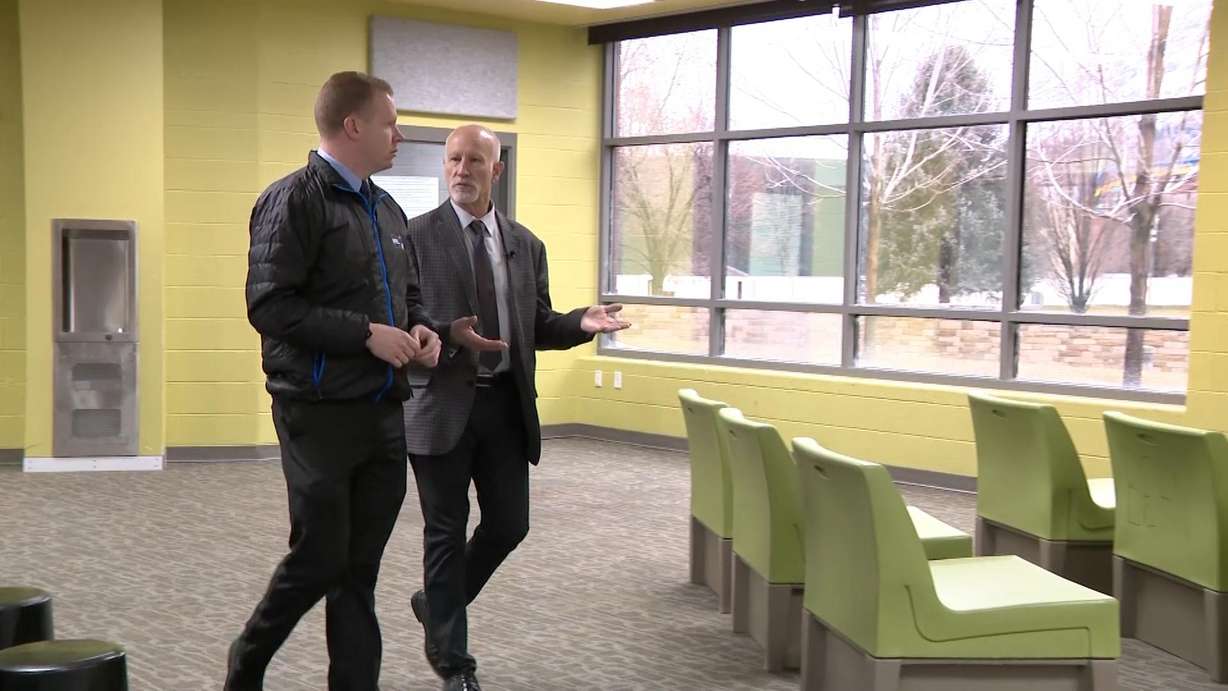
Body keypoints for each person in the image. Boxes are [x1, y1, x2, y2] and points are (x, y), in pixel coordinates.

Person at [226, 70, 444, 691]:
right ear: (353, 126)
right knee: (320, 557)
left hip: (383, 412)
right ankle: (248, 658)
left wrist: (422, 329)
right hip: (316, 411)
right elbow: (270, 305)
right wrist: (364, 334)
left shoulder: (387, 208)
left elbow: (408, 295)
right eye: (390, 123)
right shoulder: (292, 201)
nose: (399, 135)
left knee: (358, 573)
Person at [399, 124, 631, 691]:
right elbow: (404, 317)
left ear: (496, 170)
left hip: (504, 406)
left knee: (509, 525)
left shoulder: (525, 244)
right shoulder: (415, 236)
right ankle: (455, 665)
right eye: (454, 159)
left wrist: (578, 323)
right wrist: (447, 335)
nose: (461, 170)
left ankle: (437, 603)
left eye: (474, 161)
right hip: (440, 406)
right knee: (445, 532)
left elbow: (535, 325)